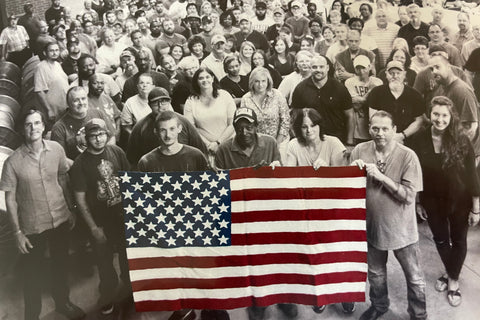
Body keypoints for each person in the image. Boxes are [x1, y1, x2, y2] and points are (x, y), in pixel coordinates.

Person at [0, 110, 85, 320]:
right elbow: (10, 200)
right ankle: (32, 315)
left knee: (61, 264)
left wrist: (71, 210)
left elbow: (63, 178)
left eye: (37, 123)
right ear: (22, 129)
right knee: (32, 275)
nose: (34, 128)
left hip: (60, 218)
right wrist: (17, 232)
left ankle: (63, 303)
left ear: (44, 126)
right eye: (28, 124)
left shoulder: (56, 149)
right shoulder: (12, 162)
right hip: (32, 226)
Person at [351, 110, 427, 320]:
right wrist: (351, 172)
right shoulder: (359, 149)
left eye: (385, 128)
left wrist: (381, 177)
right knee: (375, 274)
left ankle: (419, 314)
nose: (380, 133)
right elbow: (347, 188)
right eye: (375, 128)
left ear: (394, 130)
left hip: (402, 229)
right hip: (372, 226)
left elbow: (409, 197)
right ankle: (379, 306)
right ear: (369, 129)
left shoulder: (408, 156)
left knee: (414, 277)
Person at [410, 96, 480, 308]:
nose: (440, 119)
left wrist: (476, 207)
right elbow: (413, 174)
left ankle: (453, 280)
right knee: (440, 240)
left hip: (460, 200)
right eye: (436, 114)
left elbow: (471, 175)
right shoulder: (418, 139)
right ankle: (452, 271)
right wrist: (417, 202)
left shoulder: (461, 140)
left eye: (444, 115)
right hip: (432, 201)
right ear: (430, 115)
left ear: (452, 117)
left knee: (458, 241)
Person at [70, 118, 131, 315]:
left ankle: (129, 292)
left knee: (127, 258)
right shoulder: (79, 164)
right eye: (93, 136)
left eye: (102, 134)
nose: (98, 139)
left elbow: (129, 181)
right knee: (104, 262)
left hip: (122, 217)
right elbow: (80, 200)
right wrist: (94, 228)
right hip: (100, 222)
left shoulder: (117, 152)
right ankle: (107, 295)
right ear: (86, 139)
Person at [127, 86, 206, 167]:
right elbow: (132, 158)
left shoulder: (183, 122)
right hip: (154, 172)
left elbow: (200, 149)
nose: (160, 105)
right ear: (149, 105)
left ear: (169, 102)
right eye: (155, 102)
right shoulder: (140, 127)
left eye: (164, 101)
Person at [291, 55, 354, 145]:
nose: (318, 70)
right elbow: (295, 116)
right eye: (314, 67)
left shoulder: (339, 88)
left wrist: (349, 141)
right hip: (310, 139)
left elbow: (350, 115)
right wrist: (298, 138)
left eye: (321, 67)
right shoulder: (300, 88)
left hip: (336, 138)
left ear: (327, 68)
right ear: (310, 68)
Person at [184, 67, 236, 166]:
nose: (205, 80)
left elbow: (233, 123)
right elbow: (191, 128)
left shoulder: (225, 95)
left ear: (212, 78)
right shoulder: (191, 101)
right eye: (201, 78)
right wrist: (209, 145)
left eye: (207, 77)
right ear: (196, 82)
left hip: (229, 145)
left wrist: (218, 143)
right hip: (204, 148)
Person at [366, 60, 425, 145]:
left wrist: (402, 135)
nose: (395, 76)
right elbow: (372, 119)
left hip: (408, 140)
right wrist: (388, 137)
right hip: (382, 139)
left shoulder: (414, 95)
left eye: (398, 73)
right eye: (391, 73)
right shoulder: (376, 93)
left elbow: (419, 121)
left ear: (404, 74)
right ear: (386, 74)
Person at [51, 86, 116, 160]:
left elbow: (111, 137)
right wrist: (80, 166)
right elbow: (60, 157)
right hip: (77, 168)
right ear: (68, 104)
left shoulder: (99, 114)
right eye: (76, 100)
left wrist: (105, 158)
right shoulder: (59, 127)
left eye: (83, 98)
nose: (81, 103)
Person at [241, 67, 290, 158]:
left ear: (268, 81)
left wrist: (276, 143)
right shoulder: (246, 99)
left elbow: (286, 121)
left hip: (280, 140)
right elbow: (244, 124)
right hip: (256, 143)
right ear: (252, 82)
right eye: (257, 81)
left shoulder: (277, 95)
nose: (260, 85)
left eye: (263, 81)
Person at [429, 53, 478, 141]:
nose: (434, 72)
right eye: (431, 69)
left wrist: (457, 149)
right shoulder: (441, 87)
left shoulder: (461, 90)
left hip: (465, 148)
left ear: (448, 67)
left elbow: (471, 127)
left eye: (437, 67)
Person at [345, 55, 383, 145]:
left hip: (372, 125)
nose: (361, 71)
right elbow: (355, 106)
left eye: (364, 68)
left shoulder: (377, 81)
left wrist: (360, 100)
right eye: (358, 68)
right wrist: (370, 91)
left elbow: (376, 104)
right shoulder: (349, 82)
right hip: (356, 129)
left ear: (369, 67)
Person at [34, 40, 69, 126]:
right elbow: (39, 91)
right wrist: (49, 110)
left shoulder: (57, 64)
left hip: (63, 106)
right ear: (45, 53)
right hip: (53, 109)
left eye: (57, 50)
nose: (55, 53)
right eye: (51, 51)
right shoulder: (41, 67)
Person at [121, 73, 154, 137]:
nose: (144, 85)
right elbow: (126, 127)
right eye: (141, 83)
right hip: (138, 137)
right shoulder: (130, 102)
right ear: (138, 86)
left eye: (148, 83)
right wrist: (136, 138)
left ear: (153, 86)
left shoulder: (160, 99)